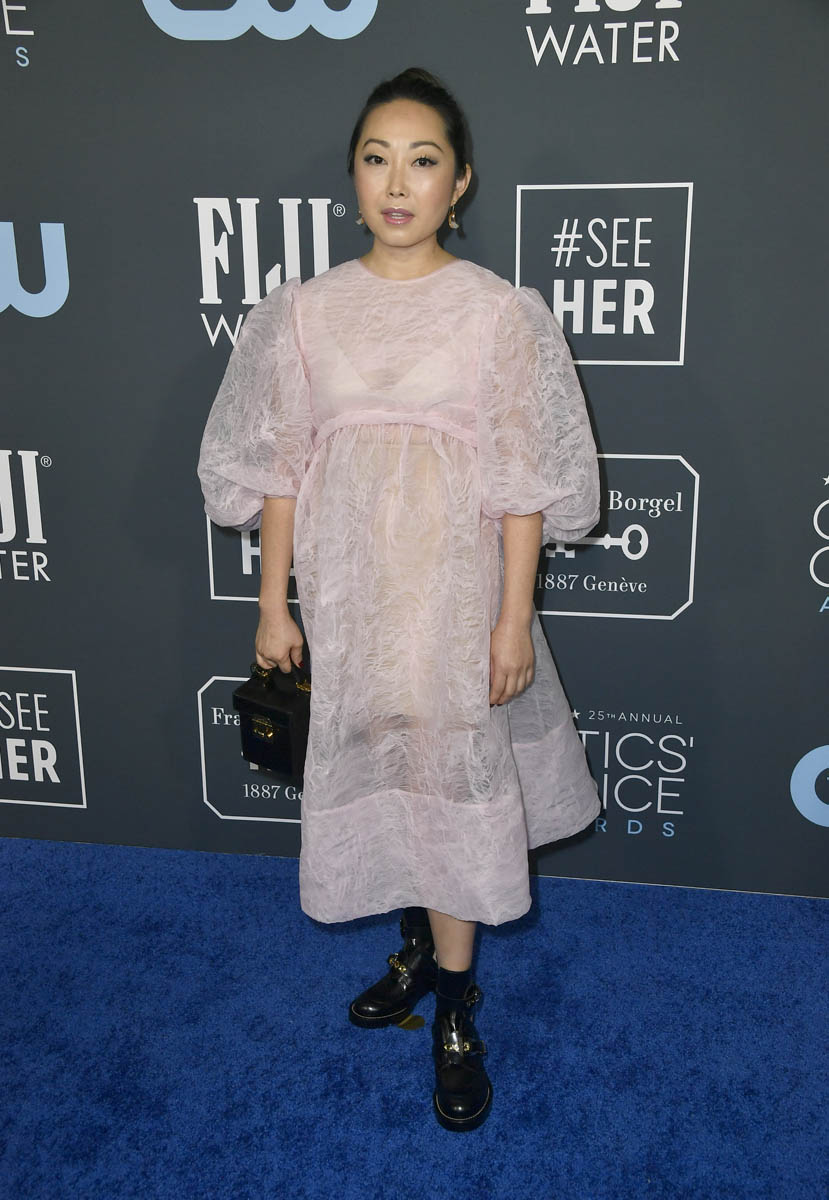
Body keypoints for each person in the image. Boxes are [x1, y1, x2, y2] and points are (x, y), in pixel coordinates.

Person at [197, 66, 601, 1133]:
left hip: (456, 606)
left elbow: (524, 486)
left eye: (422, 161)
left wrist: (510, 622)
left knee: (448, 782)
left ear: (458, 182)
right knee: (388, 775)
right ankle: (420, 951)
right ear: (353, 176)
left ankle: (456, 1010)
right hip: (351, 605)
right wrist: (272, 606)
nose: (396, 182)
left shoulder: (499, 315)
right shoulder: (303, 313)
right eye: (376, 159)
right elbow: (279, 470)